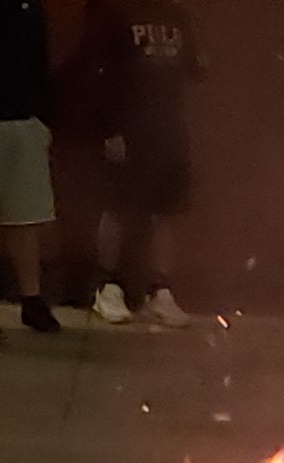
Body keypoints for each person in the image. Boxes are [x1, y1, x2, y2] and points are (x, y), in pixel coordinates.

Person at [89, 0, 204, 328]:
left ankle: (160, 291)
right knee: (117, 206)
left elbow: (194, 66)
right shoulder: (115, 12)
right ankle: (106, 287)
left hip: (169, 129)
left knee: (166, 210)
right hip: (129, 128)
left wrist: (200, 61)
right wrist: (110, 129)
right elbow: (101, 73)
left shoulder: (176, 15)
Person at [0, 0, 60, 334]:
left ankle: (31, 298)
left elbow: (39, 62)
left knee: (25, 215)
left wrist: (41, 116)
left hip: (21, 117)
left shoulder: (30, 8)